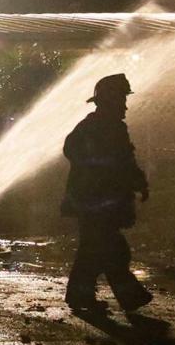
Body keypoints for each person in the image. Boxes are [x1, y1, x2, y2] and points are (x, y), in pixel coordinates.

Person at [61, 73, 152, 313]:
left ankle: (84, 296)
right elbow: (74, 151)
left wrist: (138, 182)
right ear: (109, 101)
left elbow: (124, 162)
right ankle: (127, 296)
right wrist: (100, 169)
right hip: (94, 203)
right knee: (110, 249)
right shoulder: (95, 127)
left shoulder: (111, 128)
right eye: (121, 99)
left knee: (96, 249)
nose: (125, 105)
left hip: (98, 201)